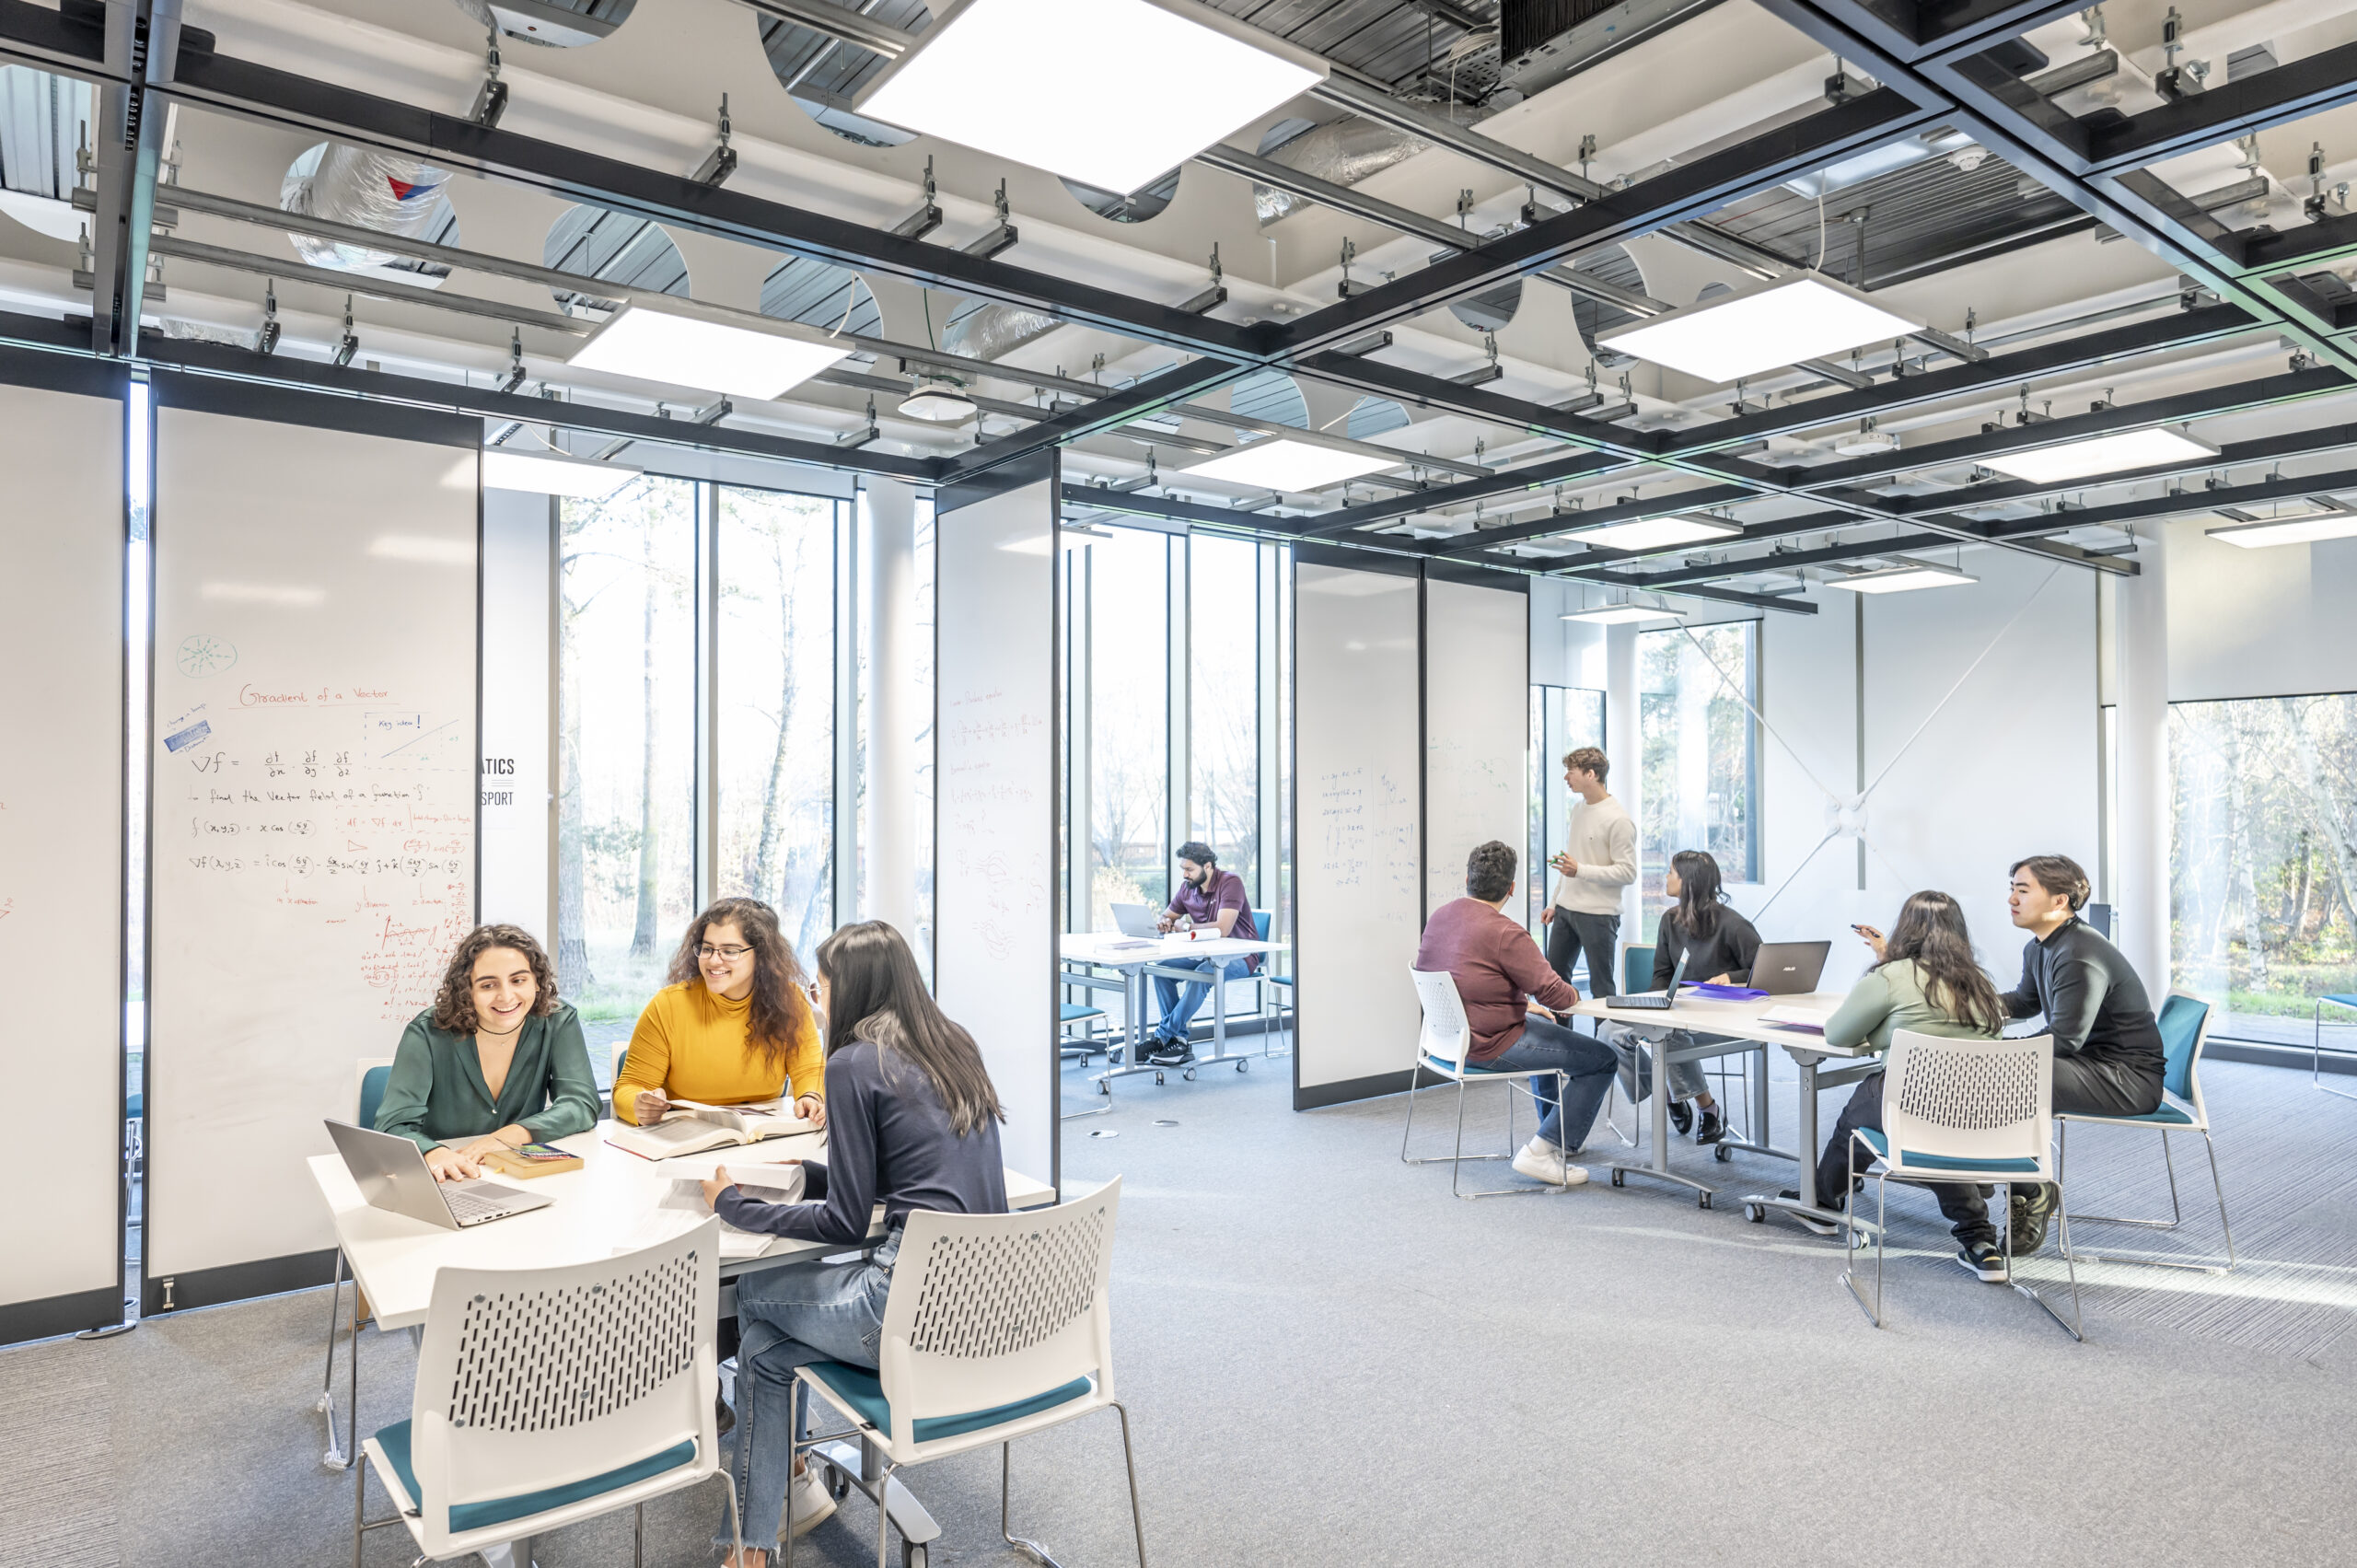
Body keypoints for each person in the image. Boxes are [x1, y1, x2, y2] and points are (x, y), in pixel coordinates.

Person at [700, 920, 1008, 1566]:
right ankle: (773, 1506)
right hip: (988, 1310)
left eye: (823, 982)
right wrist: (799, 1179)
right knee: (762, 1353)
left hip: (902, 1313)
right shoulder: (953, 1043)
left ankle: (768, 1515)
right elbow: (899, 1172)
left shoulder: (852, 1061)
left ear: (854, 987)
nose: (816, 993)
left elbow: (844, 1223)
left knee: (754, 1295)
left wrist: (737, 1205)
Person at [1793, 891, 2011, 1277]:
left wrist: (1882, 1017)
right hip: (1982, 1114)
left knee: (1860, 1118)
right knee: (1916, 1124)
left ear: (1904, 929)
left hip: (1915, 1107)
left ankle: (1824, 1201)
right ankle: (1980, 1240)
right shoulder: (1980, 984)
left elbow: (1839, 1033)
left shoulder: (1892, 977)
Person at [1413, 839, 1619, 1188]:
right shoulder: (1505, 932)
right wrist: (1571, 993)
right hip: (1491, 1045)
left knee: (1541, 1019)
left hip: (1446, 1042)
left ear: (1468, 878)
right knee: (1602, 1058)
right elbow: (1558, 994)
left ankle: (1552, 1134)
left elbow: (1469, 982)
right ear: (1511, 888)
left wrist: (1525, 1004)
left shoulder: (1441, 917)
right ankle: (1544, 1148)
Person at [1997, 854, 2165, 1255]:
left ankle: (2032, 1191)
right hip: (2090, 1065)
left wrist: (2000, 1054)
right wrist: (1959, 1002)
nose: (2011, 899)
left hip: (2126, 1078)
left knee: (2011, 1075)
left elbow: (2064, 1040)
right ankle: (2003, 1173)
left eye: (2023, 890)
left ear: (2059, 901)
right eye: (2012, 889)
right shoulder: (2041, 947)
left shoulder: (2078, 953)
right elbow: (2023, 1002)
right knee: (2006, 1070)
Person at [375, 923, 598, 1180]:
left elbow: (582, 1103)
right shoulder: (427, 1032)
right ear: (467, 991)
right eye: (488, 985)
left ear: (537, 982)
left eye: (518, 980)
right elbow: (392, 1125)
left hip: (518, 1170)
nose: (506, 996)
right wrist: (434, 1153)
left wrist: (508, 1136)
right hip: (447, 1174)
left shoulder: (557, 1020)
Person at [613, 897, 829, 1132]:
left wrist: (811, 1097)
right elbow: (628, 1087)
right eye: (707, 948)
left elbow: (808, 1070)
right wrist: (640, 1105)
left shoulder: (791, 1000)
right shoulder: (667, 1005)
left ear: (762, 956)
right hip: (684, 1141)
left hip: (764, 1137)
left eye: (729, 951)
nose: (714, 960)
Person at [1604, 850, 1755, 1143]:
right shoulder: (1669, 921)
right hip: (1676, 1014)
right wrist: (1651, 1008)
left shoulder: (1733, 924)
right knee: (1609, 1030)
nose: (1665, 877)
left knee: (1667, 1033)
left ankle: (1707, 1108)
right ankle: (1670, 1092)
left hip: (1719, 1022)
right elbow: (1661, 975)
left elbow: (1764, 971)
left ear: (1687, 881)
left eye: (1670, 872)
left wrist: (1732, 978)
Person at [1143, 841, 1262, 1068]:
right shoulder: (1187, 888)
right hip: (1204, 953)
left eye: (1189, 869)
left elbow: (1223, 928)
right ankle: (1178, 1041)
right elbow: (1168, 915)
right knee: (1162, 971)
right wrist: (1164, 921)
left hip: (1241, 956)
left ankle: (1162, 1037)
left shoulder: (1230, 882)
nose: (1185, 874)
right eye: (1183, 869)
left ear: (1207, 866)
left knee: (1204, 973)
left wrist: (1185, 927)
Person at [1540, 747, 1637, 1002]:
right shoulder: (1578, 809)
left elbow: (1628, 872)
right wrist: (1553, 903)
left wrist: (1580, 870)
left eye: (1570, 772)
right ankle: (1562, 1042)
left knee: (1602, 989)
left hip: (1599, 916)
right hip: (1565, 911)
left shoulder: (1618, 820)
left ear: (1591, 774)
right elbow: (1571, 861)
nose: (1566, 778)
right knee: (1556, 984)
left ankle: (1603, 1042)